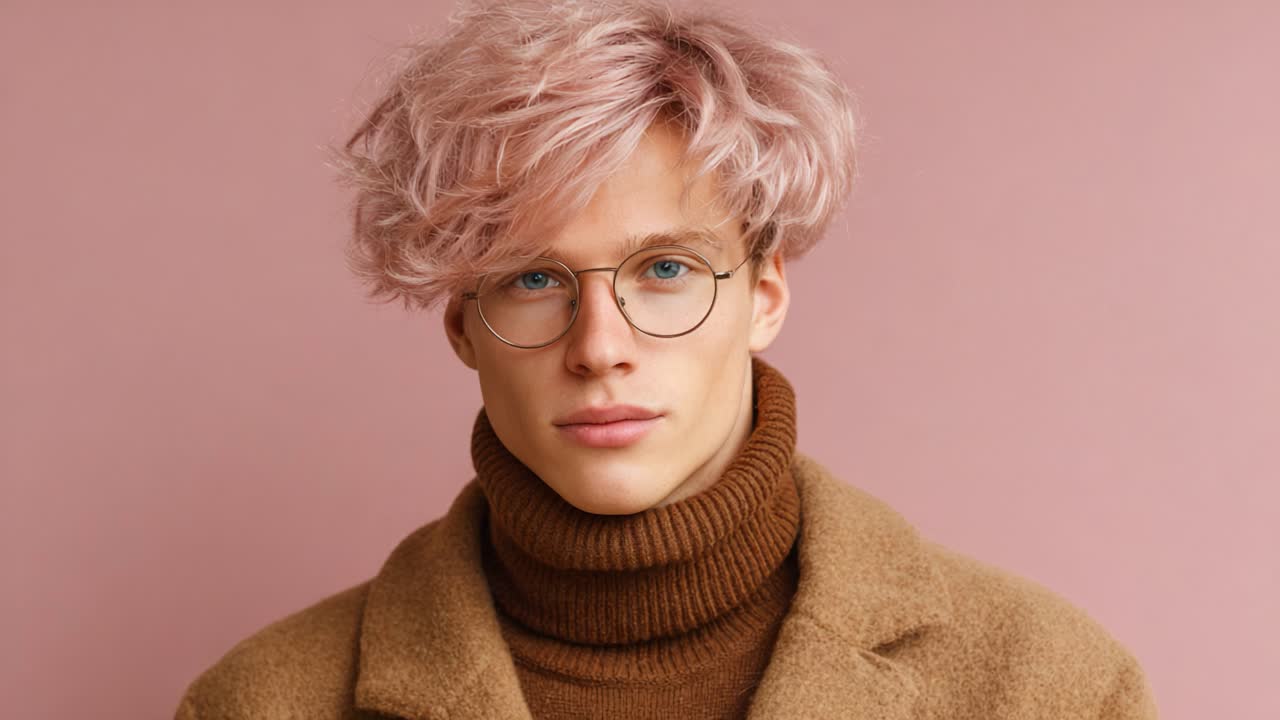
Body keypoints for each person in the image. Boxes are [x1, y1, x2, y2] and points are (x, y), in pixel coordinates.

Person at [173, 0, 1158, 718]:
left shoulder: (1045, 687)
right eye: (530, 281)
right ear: (460, 326)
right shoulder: (267, 702)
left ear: (763, 295)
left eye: (665, 269)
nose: (598, 348)